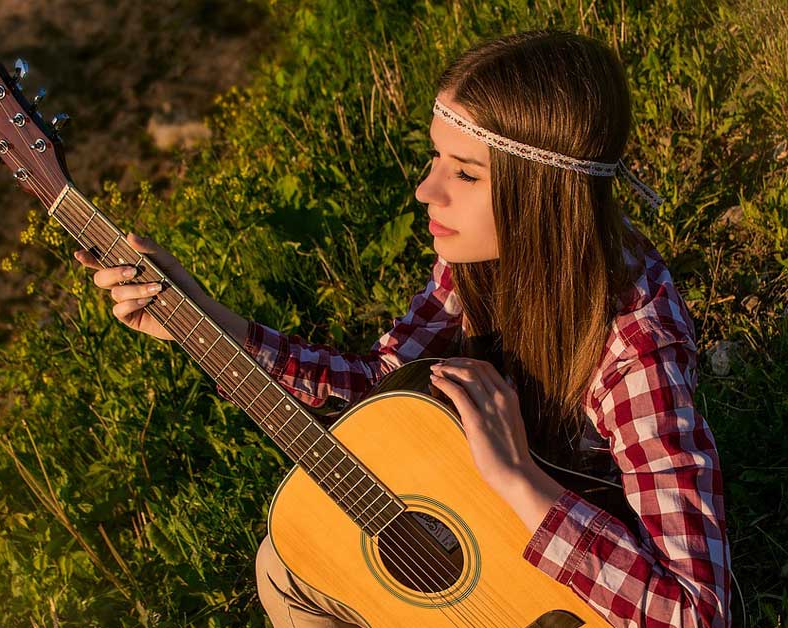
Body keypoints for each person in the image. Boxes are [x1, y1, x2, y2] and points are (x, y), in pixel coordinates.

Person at [76, 28, 731, 628]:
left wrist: (515, 478)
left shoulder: (636, 351)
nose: (426, 190)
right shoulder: (476, 262)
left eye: (465, 173)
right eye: (435, 158)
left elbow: (697, 613)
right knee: (284, 565)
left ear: (542, 198)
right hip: (483, 532)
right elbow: (373, 389)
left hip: (556, 591)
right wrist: (209, 323)